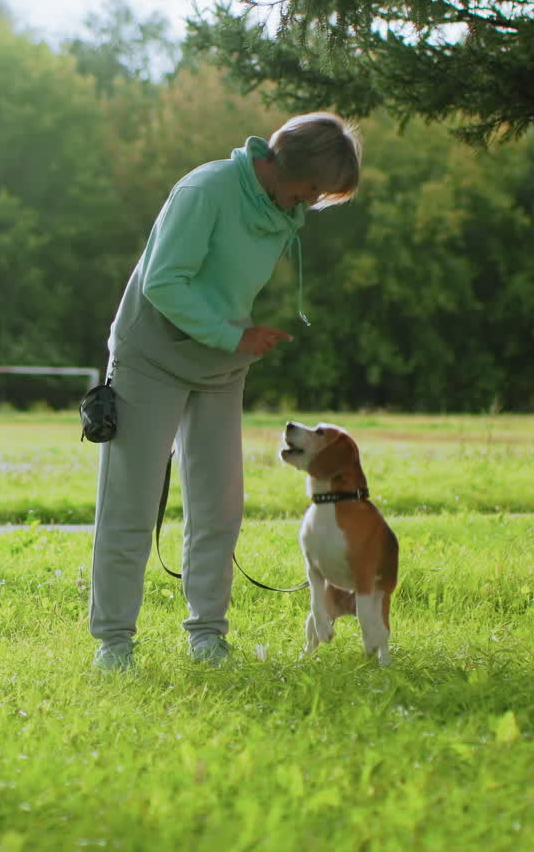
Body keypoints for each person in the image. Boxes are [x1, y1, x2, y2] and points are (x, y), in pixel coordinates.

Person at [89, 111, 362, 670]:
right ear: (289, 166)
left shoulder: (279, 208)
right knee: (131, 506)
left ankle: (207, 637)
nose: (312, 203)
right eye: (314, 189)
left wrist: (233, 342)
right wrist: (233, 333)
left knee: (219, 509)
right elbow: (165, 281)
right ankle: (114, 644)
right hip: (151, 358)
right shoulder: (205, 190)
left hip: (220, 366)